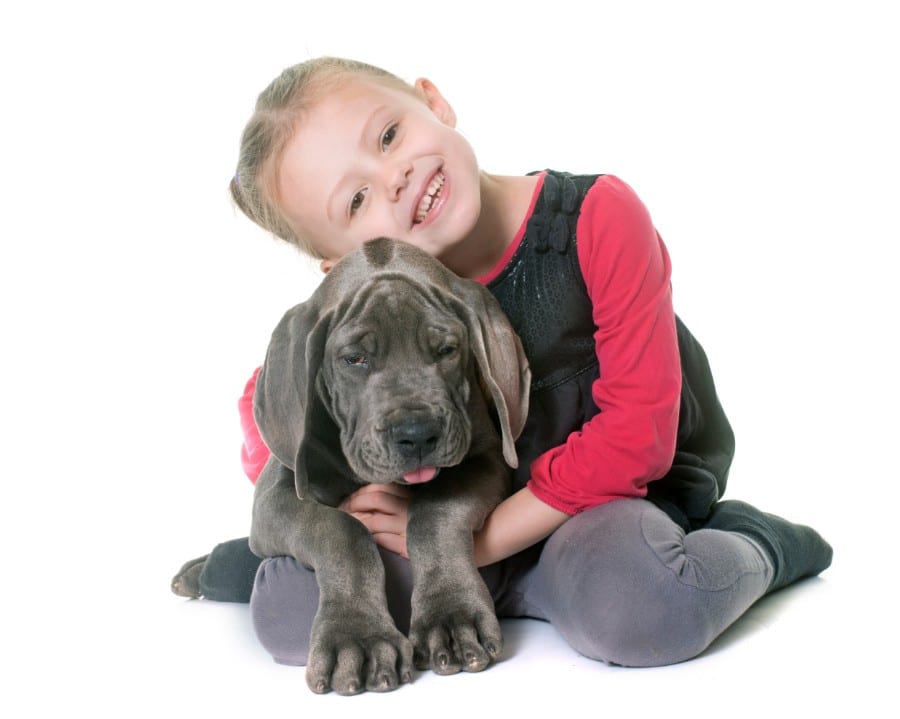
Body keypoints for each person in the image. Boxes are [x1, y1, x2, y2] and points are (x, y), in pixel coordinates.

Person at [182, 56, 832, 671]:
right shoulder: (374, 314)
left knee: (639, 602)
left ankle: (760, 544)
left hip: (611, 504)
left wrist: (470, 545)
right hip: (449, 522)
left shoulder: (596, 219)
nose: (395, 177)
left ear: (433, 100)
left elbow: (640, 439)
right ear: (342, 264)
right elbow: (299, 465)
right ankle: (254, 566)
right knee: (293, 616)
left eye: (386, 135)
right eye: (356, 203)